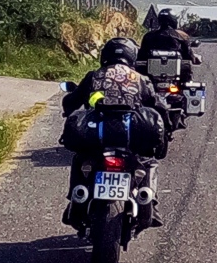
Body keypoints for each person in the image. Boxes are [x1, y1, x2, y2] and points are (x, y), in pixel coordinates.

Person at [62, 37, 165, 228]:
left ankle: (76, 199)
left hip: (98, 137)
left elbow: (72, 101)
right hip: (129, 136)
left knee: (79, 159)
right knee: (149, 162)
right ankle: (150, 202)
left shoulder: (94, 76)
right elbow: (157, 105)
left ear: (105, 56)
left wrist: (68, 111)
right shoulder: (140, 79)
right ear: (131, 56)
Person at [139, 10, 199, 82]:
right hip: (177, 79)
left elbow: (141, 56)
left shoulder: (148, 36)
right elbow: (188, 55)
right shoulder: (181, 37)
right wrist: (194, 58)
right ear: (173, 20)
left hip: (151, 79)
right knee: (187, 70)